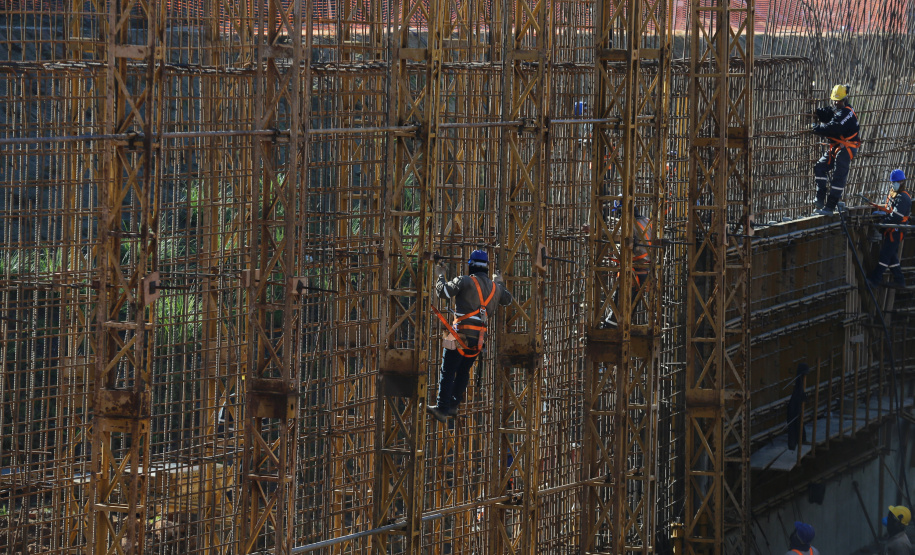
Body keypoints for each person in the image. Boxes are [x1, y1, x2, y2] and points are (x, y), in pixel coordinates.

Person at [428, 250, 512, 423]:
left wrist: (440, 275)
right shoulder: (495, 288)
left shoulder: (465, 280)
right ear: (487, 268)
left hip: (459, 336)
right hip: (478, 340)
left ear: (470, 265)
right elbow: (508, 299)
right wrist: (499, 282)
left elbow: (443, 292)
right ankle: (452, 405)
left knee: (448, 370)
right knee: (463, 371)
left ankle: (442, 408)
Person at [811, 84, 861, 215]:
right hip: (838, 147)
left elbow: (834, 127)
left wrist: (817, 128)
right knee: (820, 167)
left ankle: (830, 206)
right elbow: (829, 115)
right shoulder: (840, 110)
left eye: (838, 101)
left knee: (838, 176)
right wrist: (817, 112)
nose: (835, 103)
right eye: (834, 100)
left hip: (846, 148)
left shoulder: (847, 113)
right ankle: (820, 198)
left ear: (844, 100)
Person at [600, 206, 654, 328]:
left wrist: (596, 231)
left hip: (633, 274)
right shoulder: (646, 221)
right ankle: (618, 327)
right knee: (630, 307)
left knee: (620, 307)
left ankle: (611, 328)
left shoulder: (630, 225)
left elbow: (618, 237)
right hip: (644, 272)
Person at [867, 169, 911, 289]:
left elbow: (896, 216)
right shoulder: (897, 196)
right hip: (893, 230)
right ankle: (899, 281)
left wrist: (884, 223)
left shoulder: (903, 198)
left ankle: (874, 280)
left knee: (885, 256)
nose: (894, 184)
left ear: (902, 182)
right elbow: (892, 211)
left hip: (896, 231)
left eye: (896, 182)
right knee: (891, 257)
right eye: (893, 182)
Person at [786, 363, 810, 450]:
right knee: (794, 426)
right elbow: (798, 394)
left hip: (795, 408)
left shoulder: (799, 383)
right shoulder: (799, 383)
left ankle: (801, 440)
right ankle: (793, 444)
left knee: (799, 424)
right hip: (793, 410)